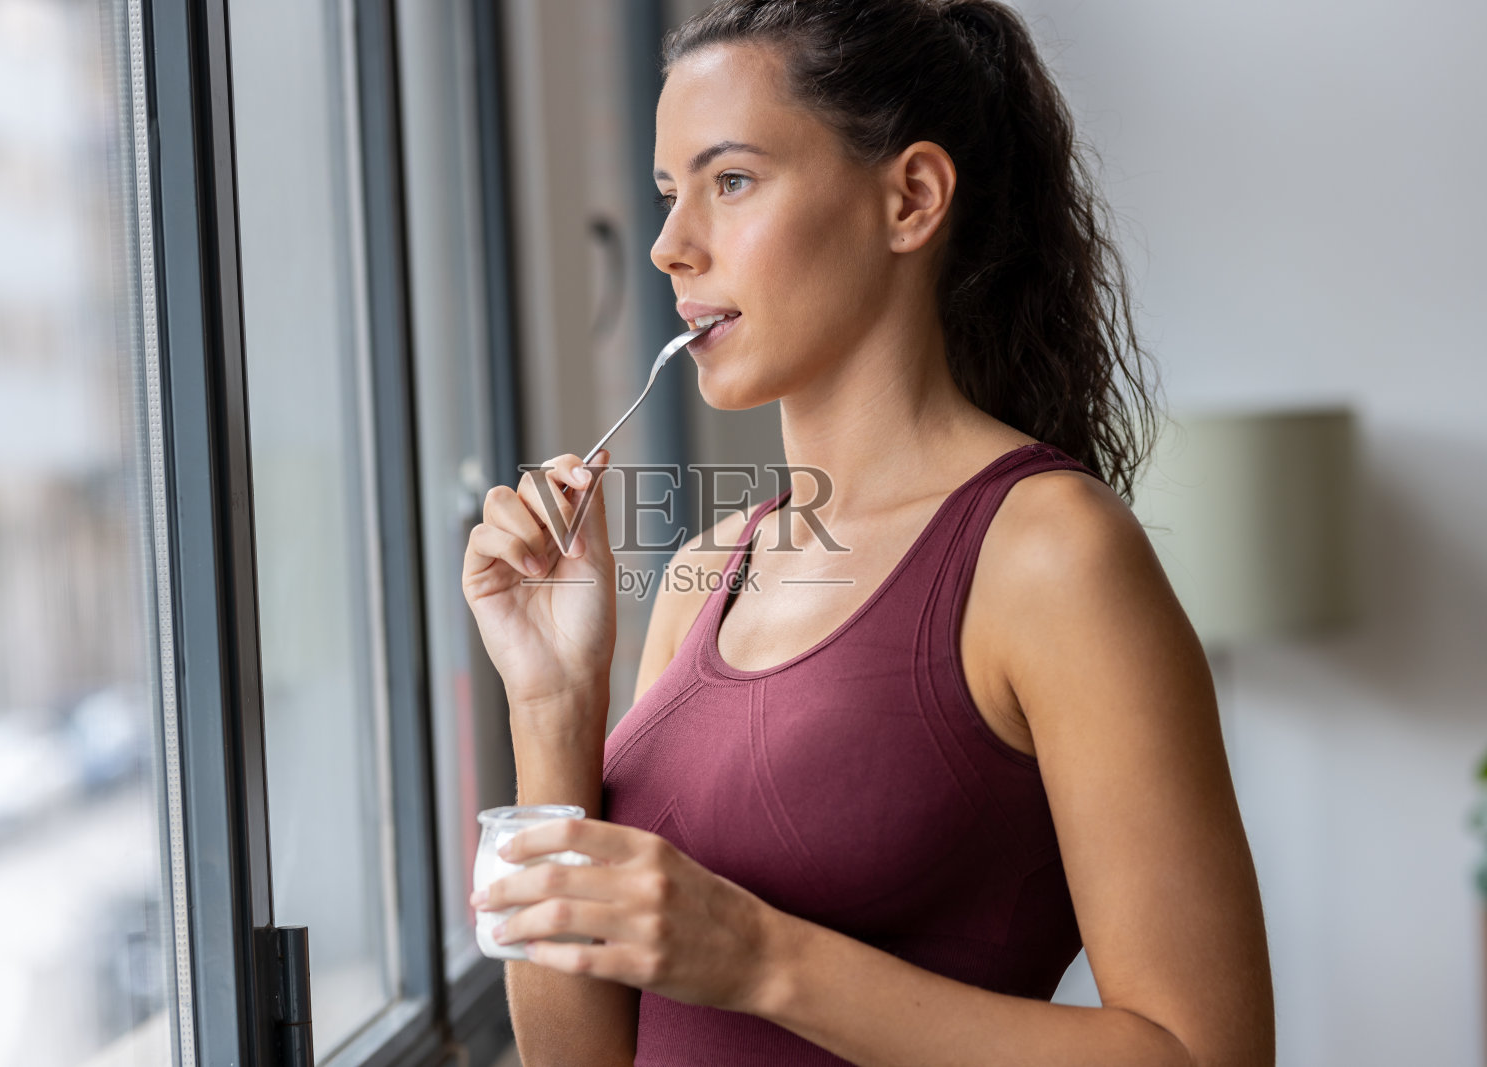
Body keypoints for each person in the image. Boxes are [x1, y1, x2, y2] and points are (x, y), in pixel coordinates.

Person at [460, 0, 1273, 1063]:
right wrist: (552, 704)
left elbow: (1207, 1052)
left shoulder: (1051, 554)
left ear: (910, 197)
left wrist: (760, 956)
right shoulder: (705, 573)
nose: (669, 245)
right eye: (668, 194)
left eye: (731, 180)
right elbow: (581, 1059)